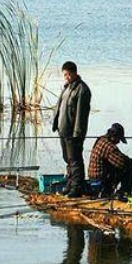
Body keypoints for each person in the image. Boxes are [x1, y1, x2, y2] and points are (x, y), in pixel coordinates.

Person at [52, 61, 92, 198]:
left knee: (75, 160)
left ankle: (77, 187)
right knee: (67, 159)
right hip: (63, 130)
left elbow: (81, 114)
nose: (66, 77)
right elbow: (59, 107)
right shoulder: (66, 88)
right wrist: (55, 124)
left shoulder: (82, 89)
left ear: (75, 73)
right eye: (65, 75)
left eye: (68, 74)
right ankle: (70, 183)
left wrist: (77, 134)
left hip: (73, 133)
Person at [88, 123, 132, 200]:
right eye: (119, 139)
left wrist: (127, 159)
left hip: (92, 178)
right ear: (114, 136)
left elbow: (119, 156)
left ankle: (119, 192)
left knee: (122, 166)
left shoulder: (101, 139)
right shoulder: (110, 147)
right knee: (128, 169)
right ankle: (124, 193)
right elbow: (122, 163)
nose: (118, 142)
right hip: (100, 180)